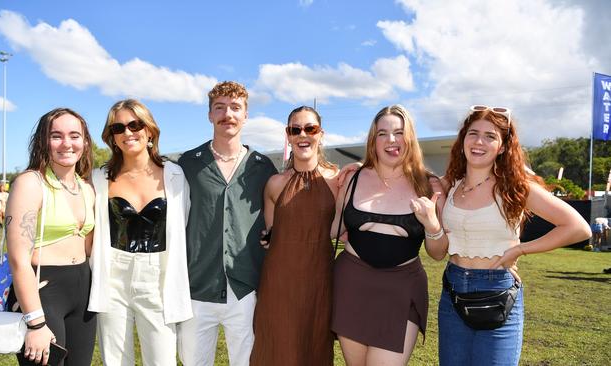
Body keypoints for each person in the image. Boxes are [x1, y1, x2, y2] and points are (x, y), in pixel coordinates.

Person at [436, 105, 592, 365]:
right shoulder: (450, 184)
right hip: (452, 291)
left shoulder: (515, 186)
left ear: (503, 146)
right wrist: (358, 168)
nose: (479, 142)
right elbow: (407, 174)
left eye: (490, 136)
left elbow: (578, 227)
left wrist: (520, 249)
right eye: (473, 133)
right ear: (462, 139)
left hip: (498, 290)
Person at [331, 105, 446, 365]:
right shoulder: (353, 178)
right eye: (382, 133)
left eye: (398, 132)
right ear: (374, 140)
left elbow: (438, 254)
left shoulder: (430, 185)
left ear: (410, 138)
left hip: (401, 290)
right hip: (352, 285)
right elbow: (331, 228)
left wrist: (432, 225)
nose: (391, 140)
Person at [177, 81, 277, 366]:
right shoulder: (188, 164)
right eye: (219, 108)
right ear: (210, 115)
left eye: (235, 108)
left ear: (245, 115)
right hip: (197, 285)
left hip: (244, 286)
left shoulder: (262, 166)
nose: (227, 114)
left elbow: (275, 215)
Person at [88, 99, 192, 365]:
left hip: (158, 277)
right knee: (115, 359)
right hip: (112, 276)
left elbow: (183, 223)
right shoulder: (100, 178)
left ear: (149, 131)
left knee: (162, 359)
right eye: (118, 128)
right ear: (112, 137)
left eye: (135, 124)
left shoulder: (174, 175)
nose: (127, 132)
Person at [5, 107, 97, 365]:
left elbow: (90, 248)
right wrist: (35, 323)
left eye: (74, 135)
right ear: (43, 141)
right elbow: (18, 260)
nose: (67, 143)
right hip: (43, 292)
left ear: (85, 141)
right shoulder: (30, 183)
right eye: (56, 136)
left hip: (83, 291)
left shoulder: (87, 187)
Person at [250, 106, 339, 365]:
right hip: (279, 283)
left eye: (310, 128)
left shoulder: (339, 180)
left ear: (321, 134)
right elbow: (272, 235)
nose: (303, 135)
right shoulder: (275, 184)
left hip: (319, 281)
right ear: (288, 136)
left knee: (314, 349)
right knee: (279, 349)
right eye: (295, 129)